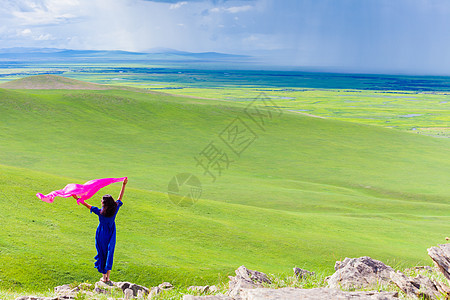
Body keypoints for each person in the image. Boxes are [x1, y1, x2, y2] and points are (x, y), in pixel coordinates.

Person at [73, 178, 128, 284]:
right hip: (111, 233)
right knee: (109, 252)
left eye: (102, 200)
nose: (101, 201)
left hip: (102, 233)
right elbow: (120, 197)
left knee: (102, 252)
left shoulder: (100, 212)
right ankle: (108, 277)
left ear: (105, 203)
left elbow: (86, 204)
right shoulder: (115, 208)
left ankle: (104, 277)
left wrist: (77, 198)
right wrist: (124, 184)